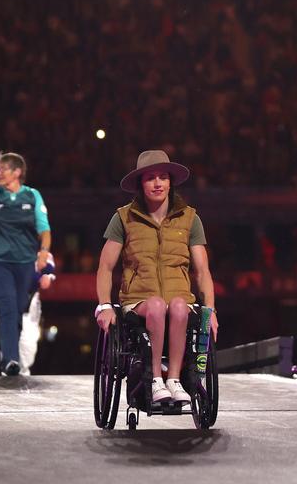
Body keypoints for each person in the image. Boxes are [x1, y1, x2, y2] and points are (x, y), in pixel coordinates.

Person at [95, 150, 218, 404]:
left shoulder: (190, 219)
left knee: (179, 306)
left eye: (163, 177)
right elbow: (105, 267)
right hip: (138, 300)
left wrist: (211, 310)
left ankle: (173, 379)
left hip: (179, 299)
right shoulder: (123, 218)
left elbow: (203, 270)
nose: (158, 183)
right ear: (141, 183)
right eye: (150, 178)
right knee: (157, 305)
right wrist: (105, 306)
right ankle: (154, 379)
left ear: (171, 181)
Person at [0, 152, 52, 377]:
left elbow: (44, 229)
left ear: (17, 172)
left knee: (17, 309)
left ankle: (9, 357)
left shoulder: (33, 196)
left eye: (2, 169)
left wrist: (43, 251)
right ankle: (11, 360)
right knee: (7, 306)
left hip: (24, 264)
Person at [18, 250, 55, 376]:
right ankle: (9, 369)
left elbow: (48, 273)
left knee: (28, 340)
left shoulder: (43, 255)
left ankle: (23, 371)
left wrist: (48, 276)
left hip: (29, 302)